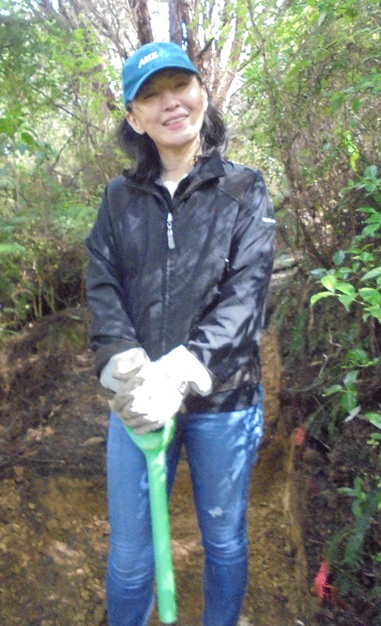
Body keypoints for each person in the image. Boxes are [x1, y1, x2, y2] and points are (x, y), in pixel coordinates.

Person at [85, 41, 276, 626]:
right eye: (150, 95)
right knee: (130, 559)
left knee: (223, 541)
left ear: (202, 92)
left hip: (225, 402)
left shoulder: (243, 189)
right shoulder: (118, 199)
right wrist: (122, 360)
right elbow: (102, 283)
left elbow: (247, 296)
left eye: (180, 86)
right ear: (133, 117)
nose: (170, 102)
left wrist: (183, 369)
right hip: (140, 404)